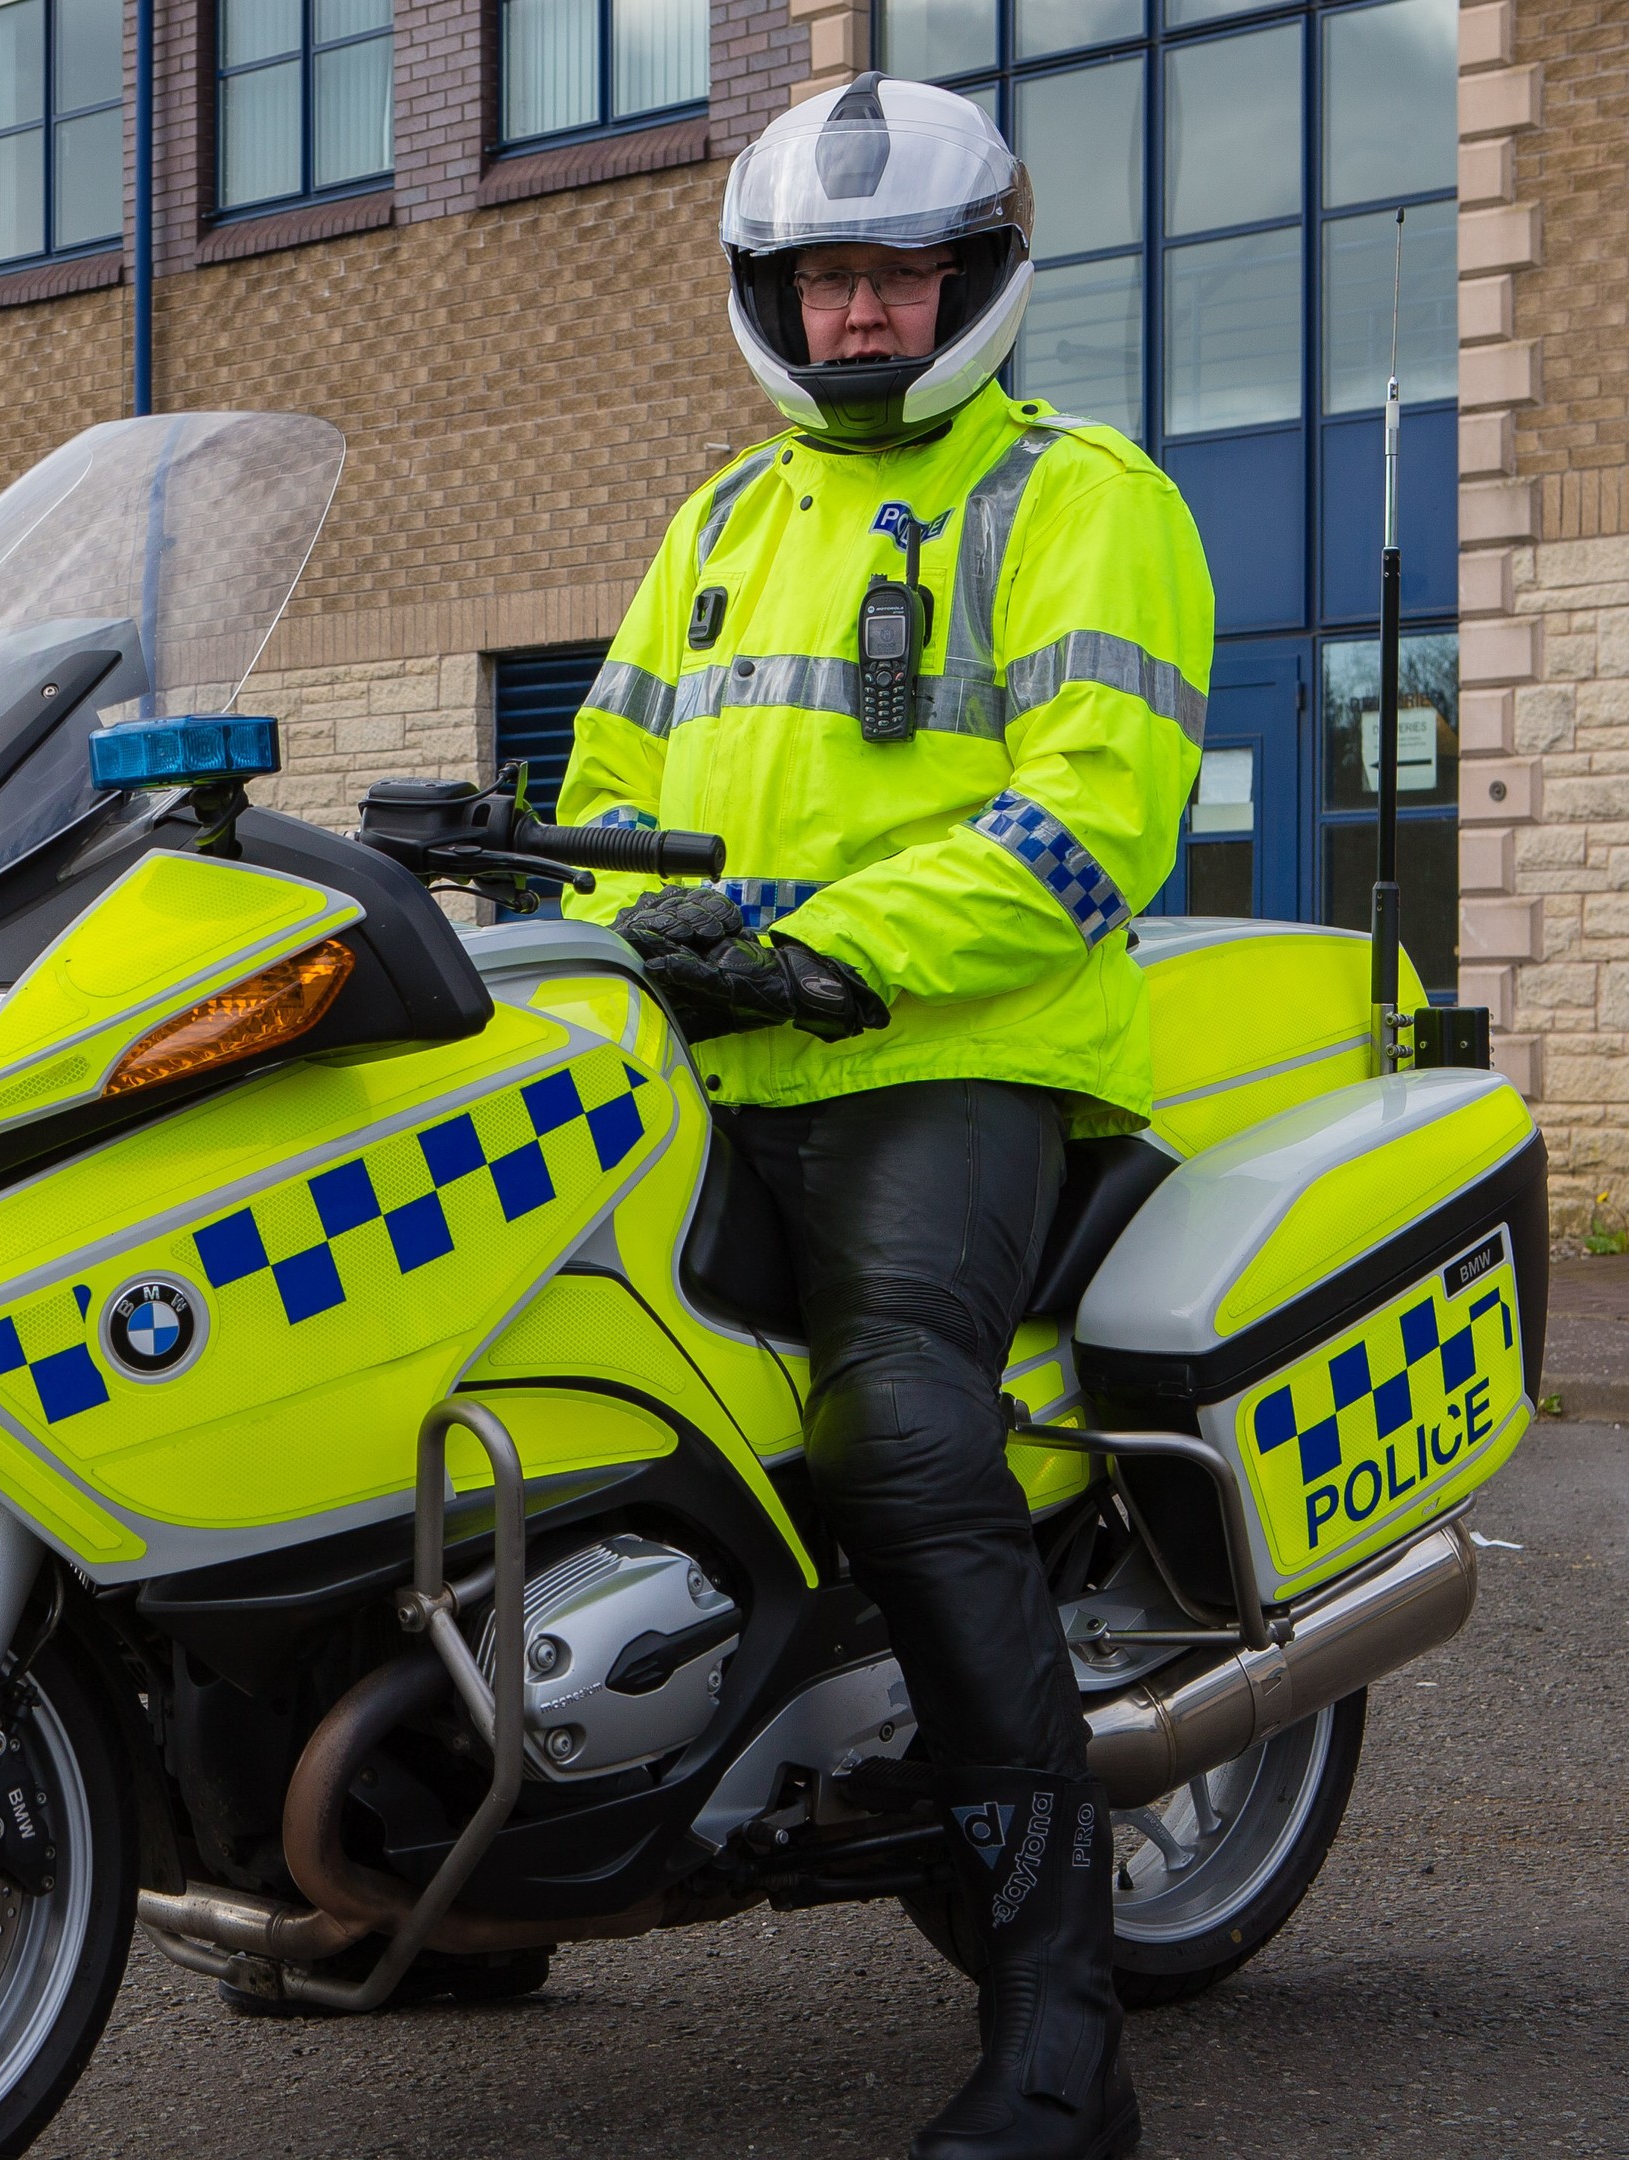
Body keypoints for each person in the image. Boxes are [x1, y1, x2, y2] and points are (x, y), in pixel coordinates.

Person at [559, 72, 1210, 2160]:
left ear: (972, 283)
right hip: (716, 1062)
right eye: (823, 280)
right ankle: (469, 1866)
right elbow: (597, 802)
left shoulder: (1080, 493)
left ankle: (1054, 2037)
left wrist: (836, 950)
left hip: (964, 1060)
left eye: (894, 276)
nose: (856, 317)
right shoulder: (721, 523)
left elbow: (1095, 812)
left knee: (896, 1432)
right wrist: (585, 917)